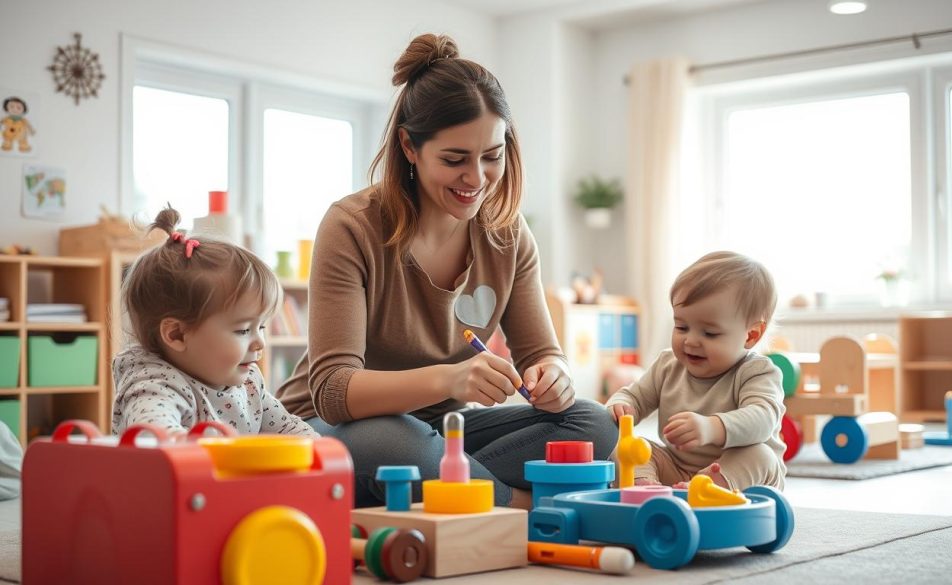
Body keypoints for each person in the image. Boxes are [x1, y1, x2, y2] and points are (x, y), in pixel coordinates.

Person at [277, 33, 616, 509]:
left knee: (592, 424)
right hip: (330, 429)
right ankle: (521, 507)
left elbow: (542, 352)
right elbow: (334, 390)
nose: (476, 179)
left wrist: (553, 376)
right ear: (409, 148)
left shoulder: (507, 235)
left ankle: (443, 490)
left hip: (438, 434)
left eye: (492, 156)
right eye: (455, 159)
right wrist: (450, 380)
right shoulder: (351, 226)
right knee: (394, 441)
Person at [111, 206, 317, 439]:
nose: (260, 342)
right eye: (243, 330)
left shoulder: (248, 381)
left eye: (261, 327)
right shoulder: (153, 381)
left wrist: (318, 448)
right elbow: (156, 434)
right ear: (177, 335)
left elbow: (288, 428)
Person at [605, 251, 786, 491]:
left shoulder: (757, 372)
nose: (690, 341)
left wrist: (712, 427)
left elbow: (763, 419)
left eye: (709, 333)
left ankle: (703, 489)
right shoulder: (668, 365)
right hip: (676, 470)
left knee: (760, 454)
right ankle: (648, 489)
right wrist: (621, 405)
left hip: (735, 477)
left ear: (751, 335)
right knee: (627, 447)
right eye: (681, 326)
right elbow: (635, 396)